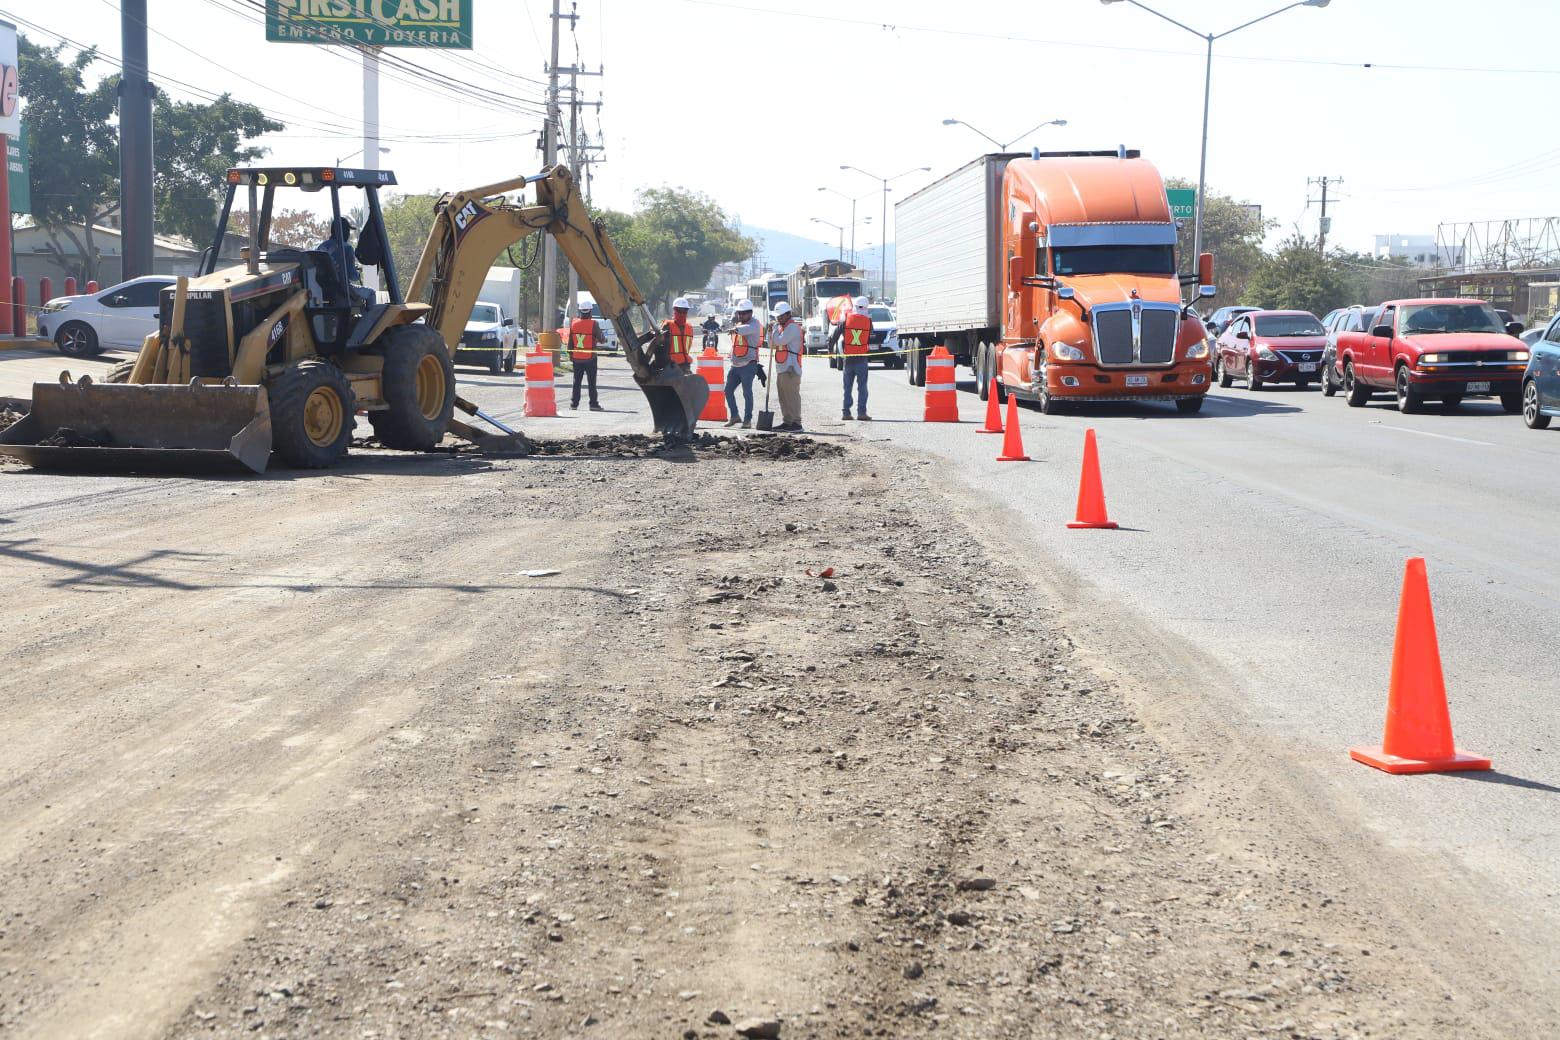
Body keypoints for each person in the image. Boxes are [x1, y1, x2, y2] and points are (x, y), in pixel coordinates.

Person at [827, 295, 875, 420]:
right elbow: (871, 335)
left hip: (848, 360)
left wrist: (830, 351)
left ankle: (846, 413)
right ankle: (861, 413)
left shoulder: (845, 320)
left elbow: (833, 337)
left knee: (847, 388)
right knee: (862, 388)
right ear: (866, 308)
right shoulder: (869, 322)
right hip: (862, 360)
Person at [723, 299, 762, 428]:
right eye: (739, 313)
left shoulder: (754, 324)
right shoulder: (739, 324)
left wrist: (735, 328)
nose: (741, 316)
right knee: (728, 391)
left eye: (744, 313)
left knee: (747, 393)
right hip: (735, 365)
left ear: (750, 313)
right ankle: (735, 416)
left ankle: (747, 420)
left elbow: (744, 330)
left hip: (748, 364)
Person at [568, 301, 609, 411]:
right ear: (590, 311)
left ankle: (574, 404)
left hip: (577, 358)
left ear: (580, 311)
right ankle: (593, 404)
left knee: (577, 382)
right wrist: (605, 339)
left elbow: (570, 342)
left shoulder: (573, 323)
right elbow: (601, 338)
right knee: (591, 382)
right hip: (590, 358)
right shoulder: (594, 324)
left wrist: (571, 355)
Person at [660, 296, 696, 372]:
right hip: (671, 365)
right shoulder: (668, 325)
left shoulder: (689, 327)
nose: (682, 313)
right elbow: (660, 344)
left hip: (686, 365)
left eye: (685, 310)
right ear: (675, 310)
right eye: (680, 310)